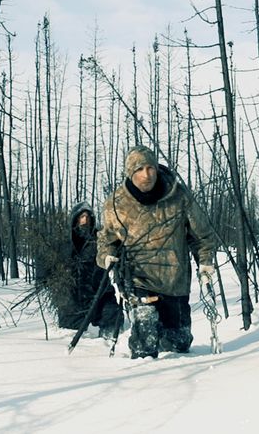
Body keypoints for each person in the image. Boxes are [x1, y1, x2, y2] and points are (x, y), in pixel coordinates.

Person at [97, 145, 216, 359]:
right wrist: (106, 257)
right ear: (130, 173)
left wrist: (205, 262)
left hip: (175, 283)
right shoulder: (116, 204)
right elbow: (106, 240)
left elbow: (202, 235)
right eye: (140, 169)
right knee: (145, 344)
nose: (146, 175)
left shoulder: (179, 196)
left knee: (178, 346)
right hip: (139, 281)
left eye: (150, 168)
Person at [58, 202, 122, 340]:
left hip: (99, 291)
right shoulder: (65, 242)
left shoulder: (100, 240)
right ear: (75, 219)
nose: (85, 221)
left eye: (87, 217)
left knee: (113, 319)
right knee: (70, 331)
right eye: (81, 217)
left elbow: (112, 250)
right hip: (74, 295)